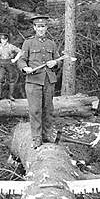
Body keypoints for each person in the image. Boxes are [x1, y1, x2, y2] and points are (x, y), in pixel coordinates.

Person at [17, 15, 62, 148]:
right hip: (33, 81)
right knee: (35, 110)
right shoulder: (28, 43)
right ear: (34, 28)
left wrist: (54, 63)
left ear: (46, 28)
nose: (41, 29)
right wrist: (25, 68)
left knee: (48, 109)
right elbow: (21, 59)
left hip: (49, 81)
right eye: (38, 26)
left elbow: (58, 61)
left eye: (43, 26)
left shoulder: (51, 44)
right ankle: (36, 138)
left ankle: (47, 135)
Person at [0, 32, 22, 101]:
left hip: (9, 63)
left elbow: (20, 52)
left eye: (4, 39)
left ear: (7, 39)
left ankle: (11, 96)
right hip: (1, 63)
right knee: (0, 79)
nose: (2, 41)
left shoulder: (11, 46)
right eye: (1, 39)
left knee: (11, 79)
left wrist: (15, 59)